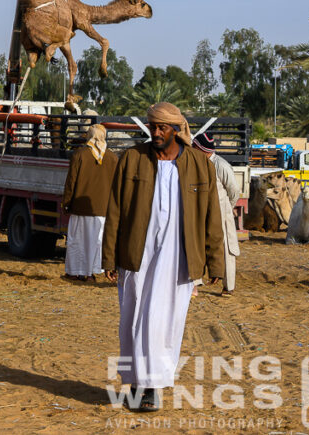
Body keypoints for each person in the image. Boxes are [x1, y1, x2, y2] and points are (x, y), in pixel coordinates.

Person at [102, 102, 225, 412]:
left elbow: (211, 217)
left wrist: (215, 263)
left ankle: (153, 386)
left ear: (175, 130)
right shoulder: (132, 160)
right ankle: (135, 385)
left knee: (164, 321)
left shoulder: (199, 164)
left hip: (178, 258)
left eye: (162, 128)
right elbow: (114, 210)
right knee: (133, 319)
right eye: (152, 126)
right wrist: (108, 258)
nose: (155, 132)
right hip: (135, 256)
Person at [62, 124, 117, 281]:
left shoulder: (79, 155)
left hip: (80, 208)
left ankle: (75, 272)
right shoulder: (112, 158)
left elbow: (71, 182)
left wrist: (66, 203)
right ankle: (90, 273)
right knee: (96, 242)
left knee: (77, 241)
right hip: (103, 209)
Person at [192, 132, 241, 297]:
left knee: (226, 248)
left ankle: (229, 287)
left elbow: (234, 191)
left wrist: (226, 208)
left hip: (221, 213)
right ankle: (194, 284)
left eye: (194, 147)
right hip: (198, 212)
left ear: (202, 149)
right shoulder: (193, 164)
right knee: (195, 245)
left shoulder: (221, 165)